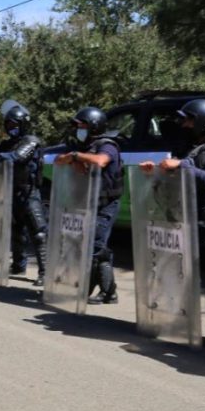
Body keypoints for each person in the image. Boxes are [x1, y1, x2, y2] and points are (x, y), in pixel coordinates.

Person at [141, 99, 205, 347]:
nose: (184, 124)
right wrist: (155, 173)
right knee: (176, 270)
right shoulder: (189, 149)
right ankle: (175, 318)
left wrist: (181, 165)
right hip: (182, 218)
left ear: (203, 122)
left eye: (189, 119)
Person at [0, 101, 48, 285]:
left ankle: (46, 272)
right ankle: (18, 265)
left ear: (23, 124)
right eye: (8, 125)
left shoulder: (31, 141)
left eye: (14, 125)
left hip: (29, 192)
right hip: (11, 191)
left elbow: (17, 157)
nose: (11, 128)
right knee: (16, 230)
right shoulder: (8, 143)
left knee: (38, 232)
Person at [55, 107, 124, 303]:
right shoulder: (86, 146)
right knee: (94, 247)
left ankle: (105, 291)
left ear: (93, 127)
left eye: (82, 126)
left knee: (97, 246)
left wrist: (76, 156)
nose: (79, 129)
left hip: (106, 204)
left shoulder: (108, 145)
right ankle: (106, 292)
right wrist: (71, 158)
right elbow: (63, 162)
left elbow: (101, 161)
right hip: (89, 203)